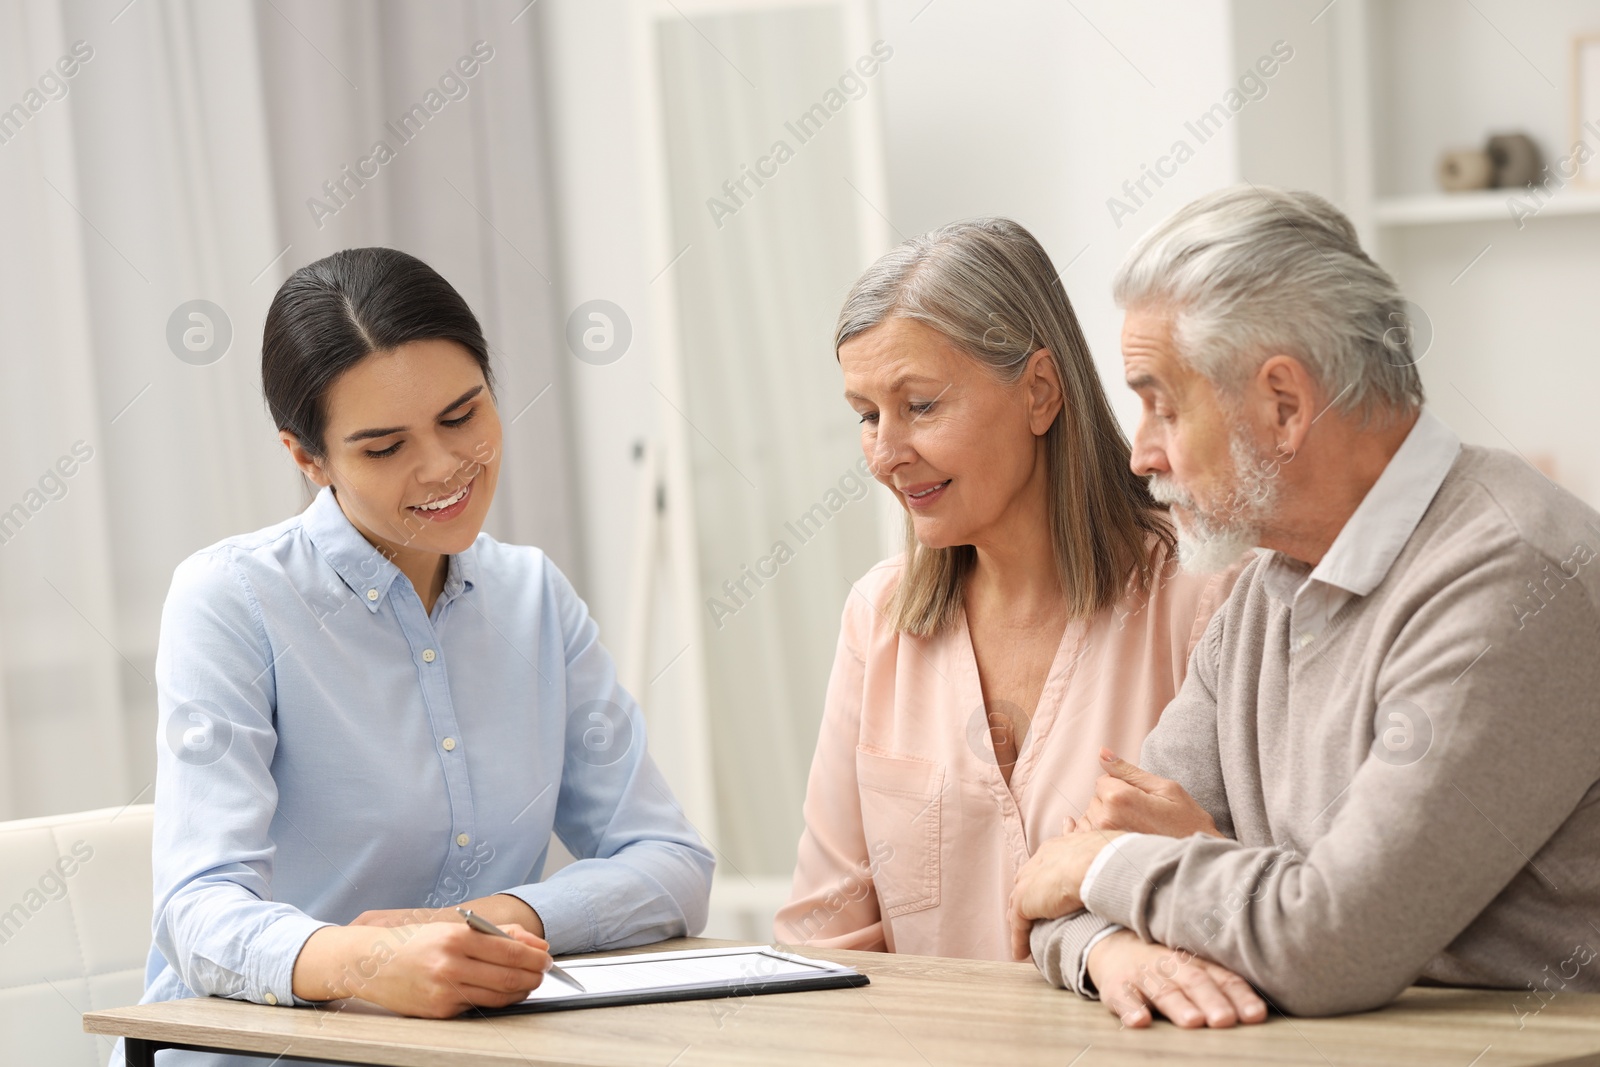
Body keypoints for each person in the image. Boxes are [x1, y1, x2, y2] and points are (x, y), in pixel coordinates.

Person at [1013, 185, 1600, 1027]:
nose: (1140, 454)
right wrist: (1111, 947)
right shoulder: (1265, 586)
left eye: (1162, 405)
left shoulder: (1512, 576)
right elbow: (1054, 889)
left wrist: (1117, 870)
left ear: (1283, 406)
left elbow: (1332, 944)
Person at [121, 248, 713, 1066]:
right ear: (308, 457)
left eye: (462, 415)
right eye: (383, 445)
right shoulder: (231, 601)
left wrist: (494, 924)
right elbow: (197, 913)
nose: (441, 467)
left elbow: (672, 863)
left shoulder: (533, 597)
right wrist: (363, 963)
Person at [774, 218, 1261, 1026]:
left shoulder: (1208, 596)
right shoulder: (879, 619)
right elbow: (826, 943)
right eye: (867, 414)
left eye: (920, 405)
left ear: (1039, 390)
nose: (887, 452)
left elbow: (1279, 904)